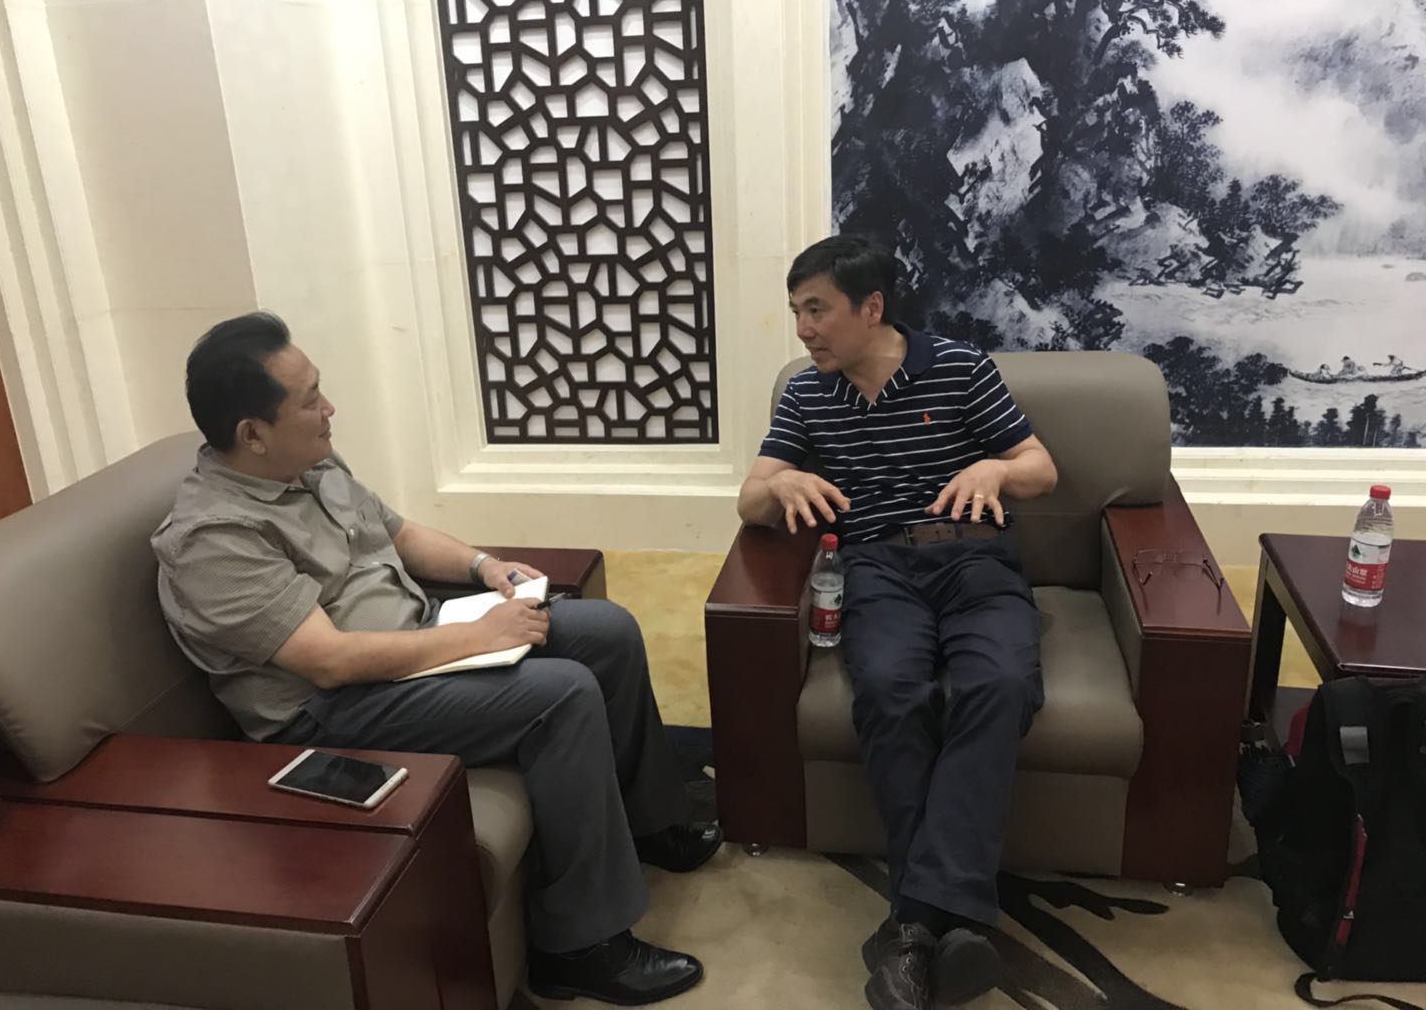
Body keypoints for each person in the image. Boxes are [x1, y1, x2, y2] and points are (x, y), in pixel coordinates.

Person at [152, 313, 719, 1006]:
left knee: (608, 630)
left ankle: (646, 824)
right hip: (329, 713)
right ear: (252, 433)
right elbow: (327, 662)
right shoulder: (214, 538)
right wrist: (479, 637)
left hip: (414, 635)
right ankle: (578, 947)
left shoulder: (307, 463)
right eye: (310, 399)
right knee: (562, 694)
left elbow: (398, 533)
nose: (330, 409)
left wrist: (485, 568)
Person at [736, 236, 1058, 1010]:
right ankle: (954, 922)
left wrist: (997, 468)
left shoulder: (959, 367)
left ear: (871, 307)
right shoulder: (808, 395)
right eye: (796, 311)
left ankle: (912, 926)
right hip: (877, 566)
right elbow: (750, 498)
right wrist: (783, 486)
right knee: (887, 690)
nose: (804, 329)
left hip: (975, 556)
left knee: (1001, 683)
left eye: (818, 310)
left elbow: (1041, 469)